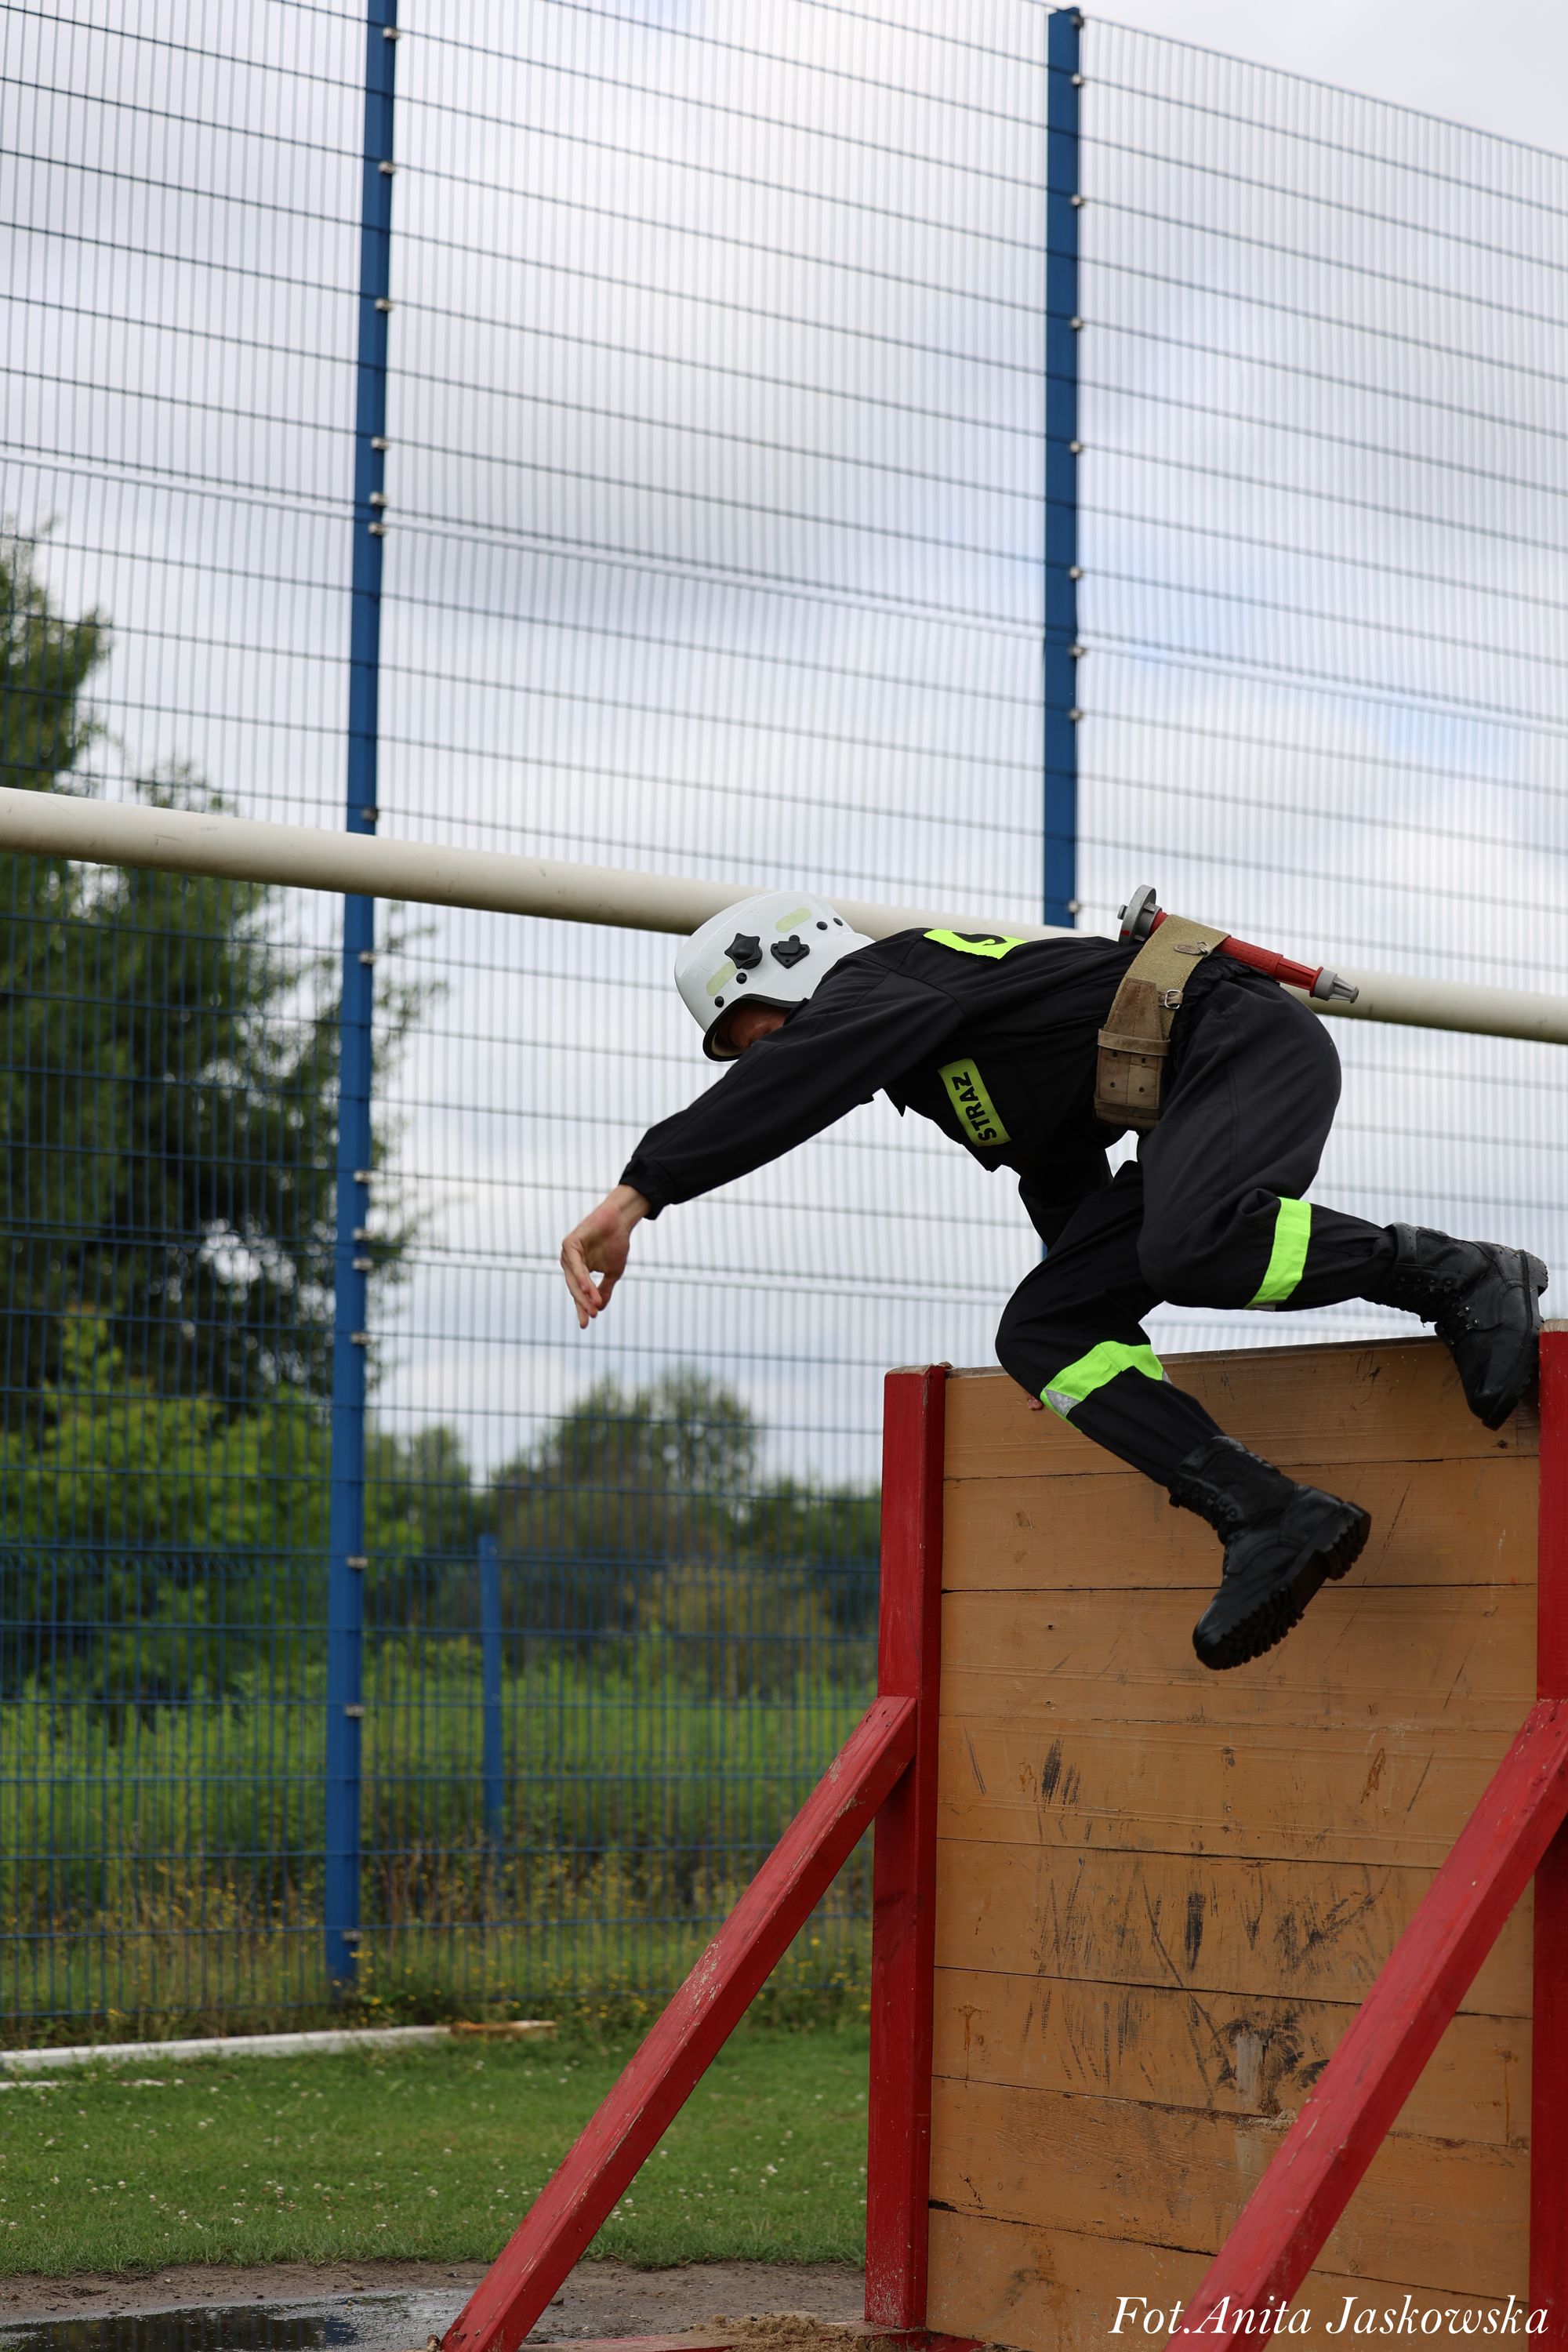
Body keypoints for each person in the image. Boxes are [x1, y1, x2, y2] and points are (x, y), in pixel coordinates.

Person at [560, 890, 1548, 1669]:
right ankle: (1262, 1512)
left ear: (794, 966)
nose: (762, 1060)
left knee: (1193, 1243)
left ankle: (1457, 1274)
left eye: (756, 1034)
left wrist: (641, 1189)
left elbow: (805, 1074)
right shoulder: (942, 1063)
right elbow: (1062, 1174)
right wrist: (1092, 1295)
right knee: (1043, 1329)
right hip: (1187, 1090)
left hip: (1240, 1039)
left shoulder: (887, 978)